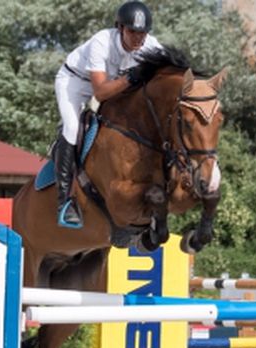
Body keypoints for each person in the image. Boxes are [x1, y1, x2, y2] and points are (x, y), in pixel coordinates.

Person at [52, 1, 162, 228]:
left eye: (142, 33)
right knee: (72, 128)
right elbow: (100, 93)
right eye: (132, 31)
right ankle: (65, 202)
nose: (137, 38)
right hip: (74, 82)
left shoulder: (152, 46)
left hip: (115, 86)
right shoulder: (102, 41)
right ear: (120, 28)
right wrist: (132, 77)